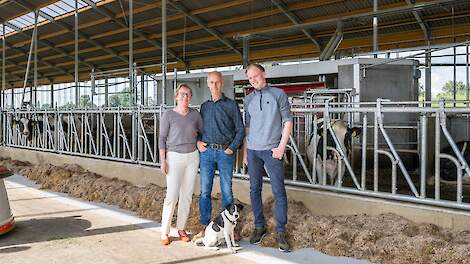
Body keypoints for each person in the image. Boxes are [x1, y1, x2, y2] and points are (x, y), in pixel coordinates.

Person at [243, 63, 293, 252]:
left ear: (263, 73)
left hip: (272, 151)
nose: (253, 80)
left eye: (255, 75)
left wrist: (281, 147)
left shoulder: (278, 94)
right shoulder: (248, 100)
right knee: (254, 190)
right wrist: (246, 152)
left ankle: (280, 231)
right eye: (249, 78)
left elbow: (288, 121)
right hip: (254, 151)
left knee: (278, 191)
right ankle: (259, 226)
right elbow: (248, 128)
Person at [195, 71, 244, 240]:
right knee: (204, 192)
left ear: (221, 83)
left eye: (217, 82)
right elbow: (198, 130)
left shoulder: (231, 105)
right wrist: (198, 142)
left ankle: (229, 228)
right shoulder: (204, 106)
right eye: (211, 82)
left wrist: (232, 148)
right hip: (207, 152)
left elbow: (240, 129)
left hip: (225, 152)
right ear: (208, 84)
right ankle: (205, 226)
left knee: (227, 192)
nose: (214, 85)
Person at [159, 84, 203, 246]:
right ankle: (164, 231)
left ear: (191, 98)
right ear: (176, 96)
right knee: (172, 195)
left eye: (188, 95)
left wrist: (199, 141)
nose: (185, 97)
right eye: (182, 94)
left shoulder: (195, 115)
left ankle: (181, 228)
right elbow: (162, 138)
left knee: (187, 195)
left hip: (192, 157)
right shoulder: (169, 115)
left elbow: (201, 132)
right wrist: (163, 160)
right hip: (174, 157)